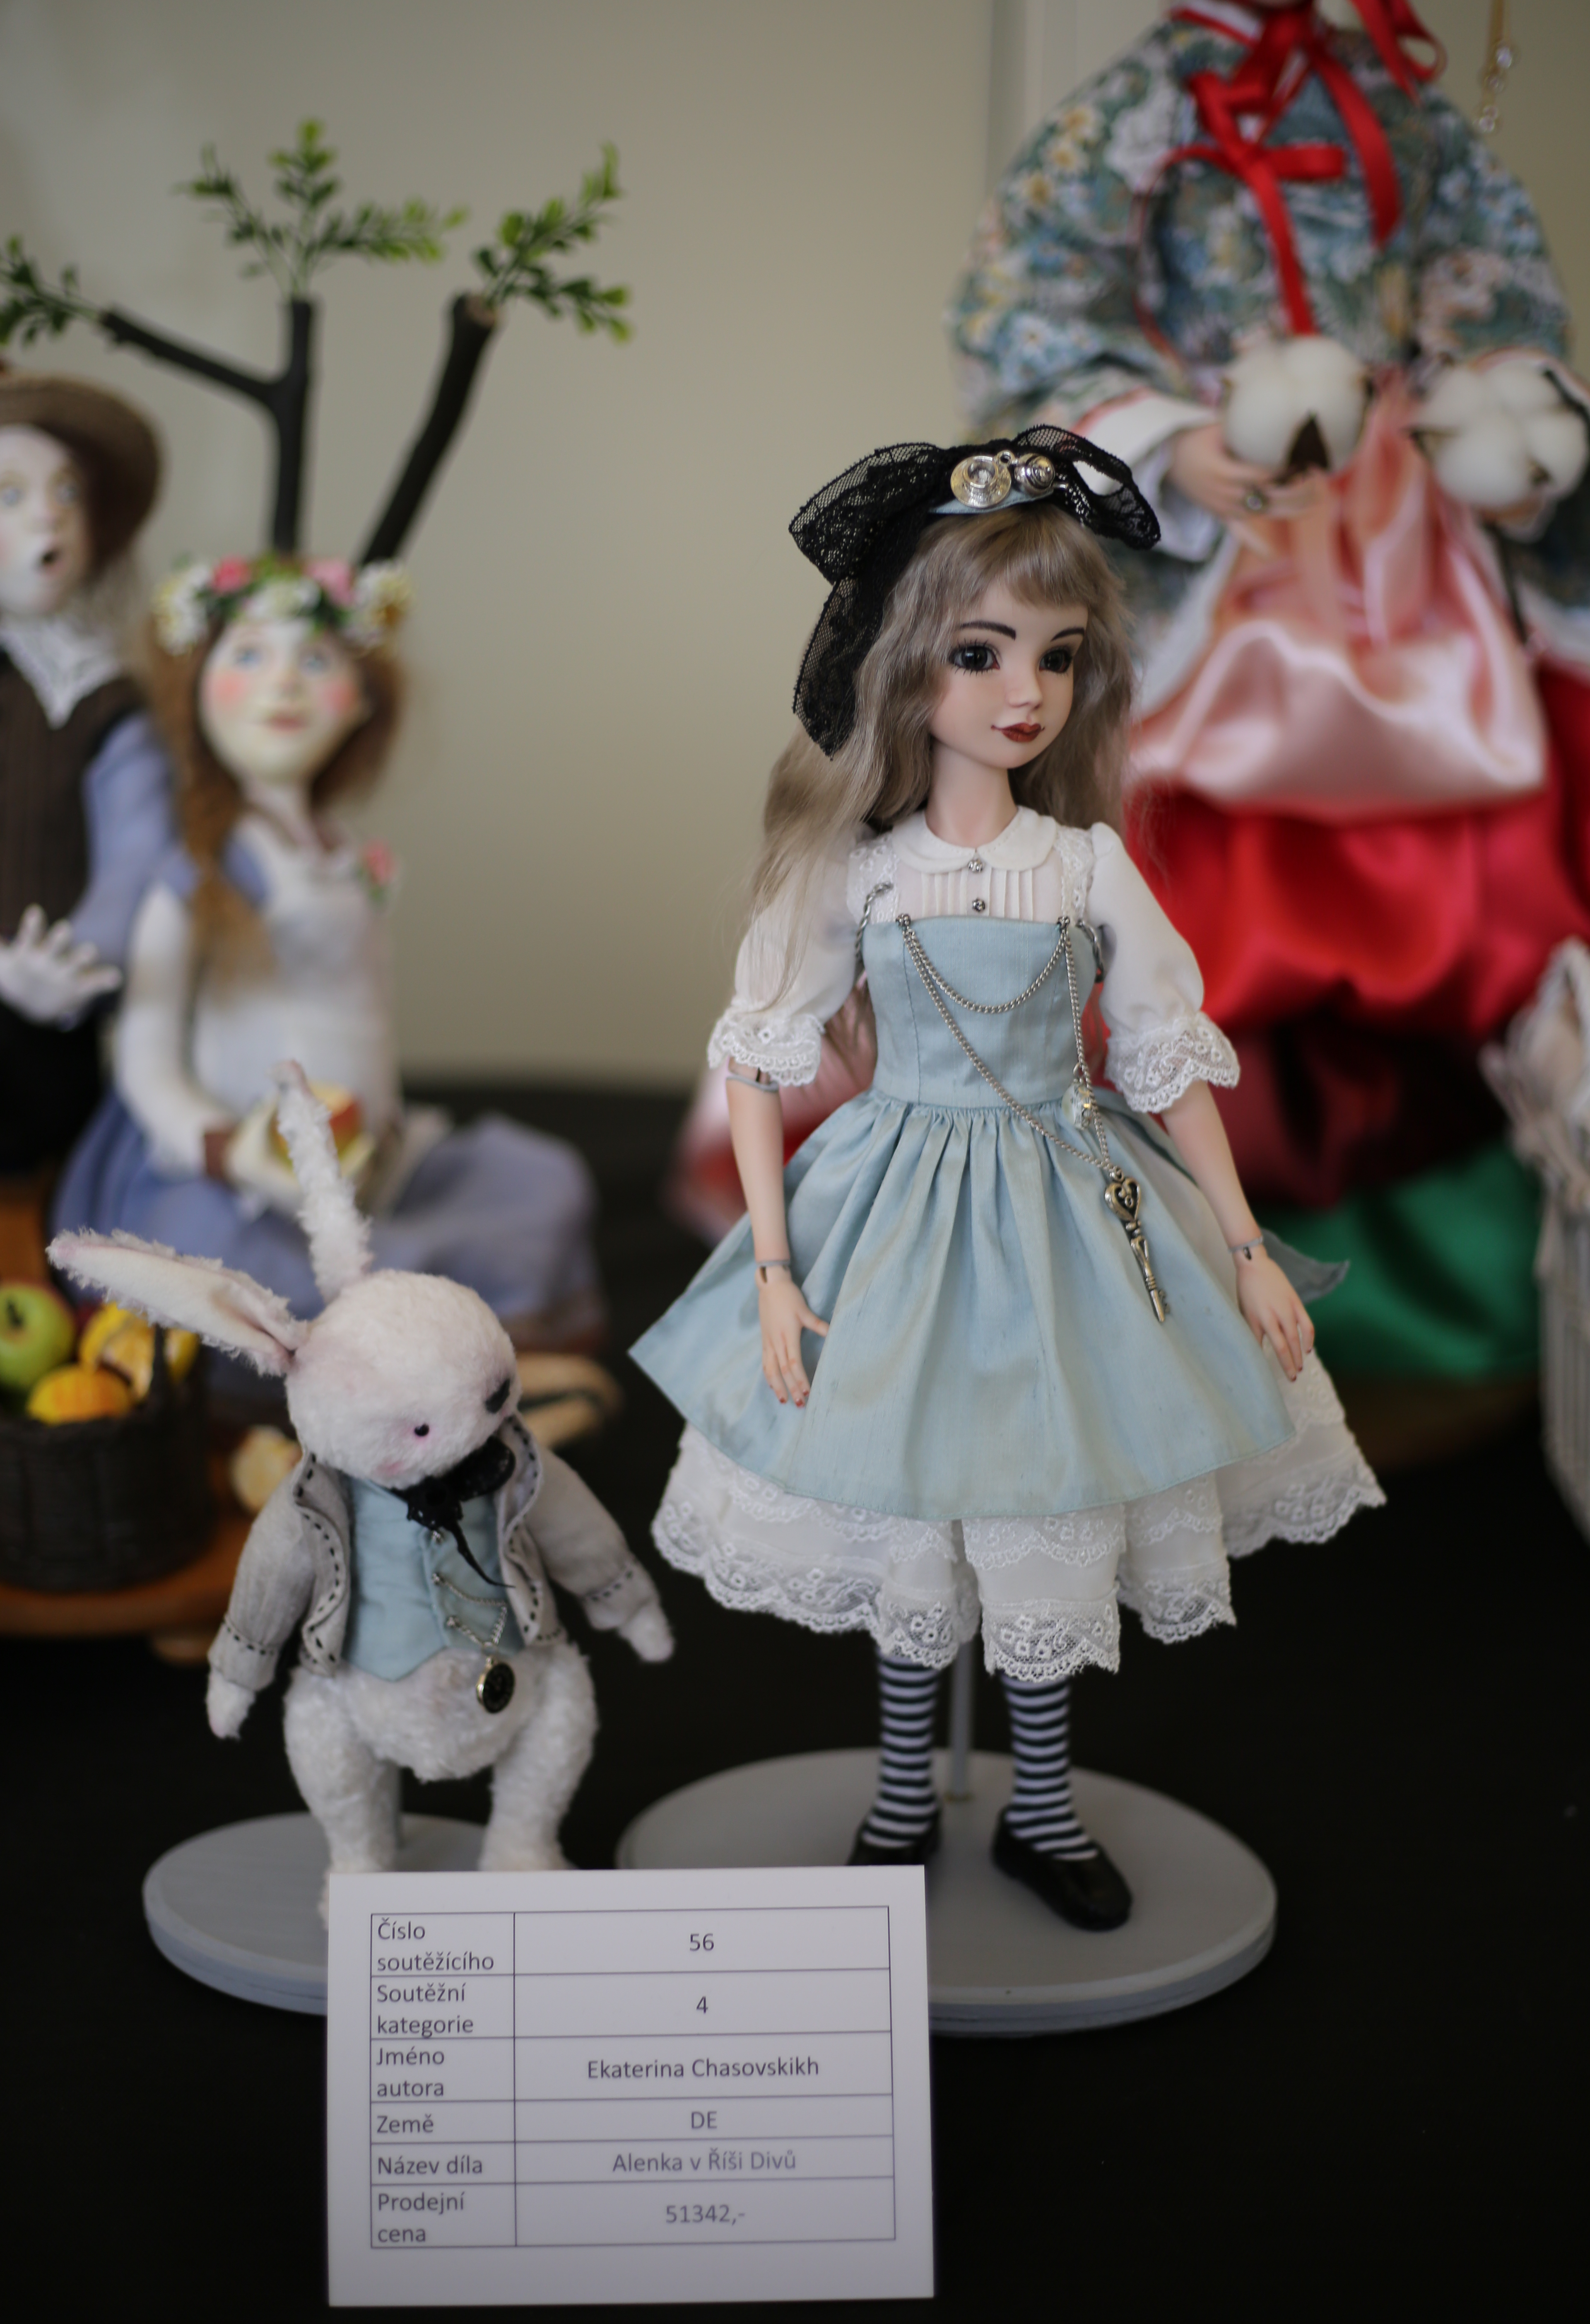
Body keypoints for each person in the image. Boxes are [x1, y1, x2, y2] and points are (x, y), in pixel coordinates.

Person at [633, 430, 1382, 1928]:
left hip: (1067, 1207)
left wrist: (1245, 1248)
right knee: (912, 1513)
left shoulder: (1087, 866)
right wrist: (773, 1270)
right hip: (891, 1214)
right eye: (980, 654)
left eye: (1055, 655)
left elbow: (1164, 1059)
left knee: (1051, 1509)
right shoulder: (860, 870)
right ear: (902, 664)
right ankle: (903, 1796)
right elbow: (760, 1063)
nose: (1024, 691)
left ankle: (1042, 1807)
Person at [947, 0, 1590, 1397]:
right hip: (1217, 535)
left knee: (1446, 889)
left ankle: (1427, 1304)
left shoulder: (1400, 102)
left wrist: (1501, 404)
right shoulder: (1141, 110)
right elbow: (1026, 308)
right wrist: (1172, 443)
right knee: (1193, 913)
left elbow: (1491, 284)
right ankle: (1166, 1291)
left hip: (1397, 542)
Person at [53, 554, 603, 1390]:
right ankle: (417, 1385)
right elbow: (146, 1049)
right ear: (196, 690)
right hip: (244, 1183)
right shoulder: (209, 866)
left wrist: (383, 1126)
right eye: (248, 656)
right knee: (250, 1275)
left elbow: (367, 1008)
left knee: (541, 1181)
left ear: (363, 698)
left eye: (315, 660)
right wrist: (227, 1149)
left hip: (367, 1168)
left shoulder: (349, 858)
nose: (284, 684)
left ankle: (482, 1366)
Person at [0, 370, 171, 1175]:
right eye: (12, 494)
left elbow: (139, 850)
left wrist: (74, 963)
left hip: (45, 1034)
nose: (49, 514)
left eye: (67, 491)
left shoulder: (100, 694)